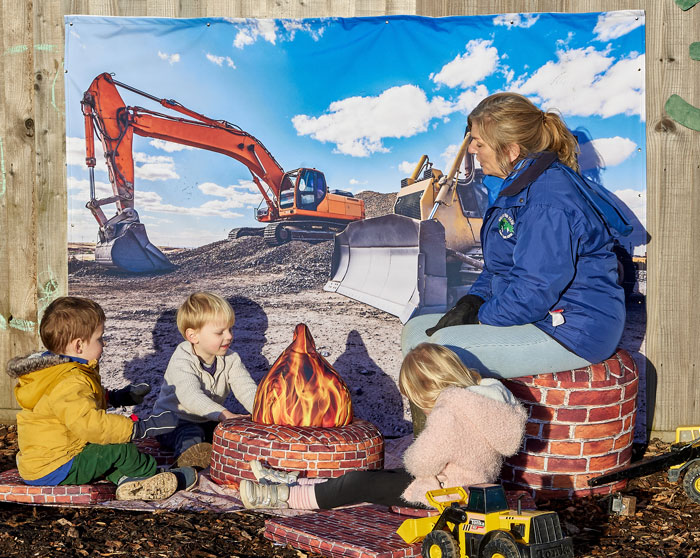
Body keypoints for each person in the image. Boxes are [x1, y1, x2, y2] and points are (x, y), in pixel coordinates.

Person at [402, 92, 631, 379]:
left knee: (436, 358)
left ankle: (473, 421)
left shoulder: (547, 199)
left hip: (572, 328)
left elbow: (534, 290)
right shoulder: (517, 189)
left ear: (510, 151)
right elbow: (500, 267)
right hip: (540, 315)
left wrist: (480, 319)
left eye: (479, 143)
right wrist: (471, 301)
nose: (472, 149)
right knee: (415, 333)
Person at [238, 342, 527, 510]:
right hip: (469, 488)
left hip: (445, 495)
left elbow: (420, 463)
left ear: (429, 390)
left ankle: (286, 496)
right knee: (378, 475)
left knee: (361, 483)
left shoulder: (451, 412)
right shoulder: (491, 400)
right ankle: (293, 481)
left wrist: (416, 453)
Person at [6, 296, 195, 501]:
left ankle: (127, 480)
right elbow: (91, 425)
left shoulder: (56, 371)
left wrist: (118, 397)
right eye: (99, 338)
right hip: (57, 466)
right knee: (119, 449)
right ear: (79, 345)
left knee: (105, 454)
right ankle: (152, 476)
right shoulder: (71, 380)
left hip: (46, 460)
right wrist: (139, 428)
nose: (103, 343)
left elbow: (84, 403)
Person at [152, 292, 258, 469]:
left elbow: (246, 388)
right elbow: (190, 397)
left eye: (230, 329)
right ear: (193, 336)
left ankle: (234, 463)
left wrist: (262, 411)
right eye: (220, 332)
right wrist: (225, 414)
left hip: (206, 420)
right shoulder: (182, 360)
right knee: (191, 435)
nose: (229, 336)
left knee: (230, 433)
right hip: (172, 421)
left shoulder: (231, 359)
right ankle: (184, 471)